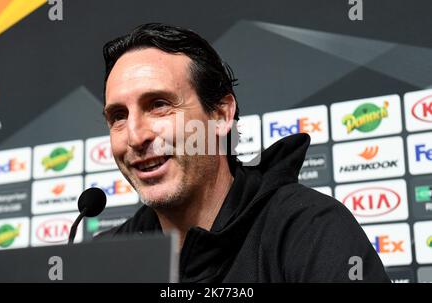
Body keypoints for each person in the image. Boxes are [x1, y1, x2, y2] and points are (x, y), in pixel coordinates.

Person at [96, 23, 390, 283]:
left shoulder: (310, 228)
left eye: (159, 104)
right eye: (118, 116)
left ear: (222, 115)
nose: (135, 136)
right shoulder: (106, 258)